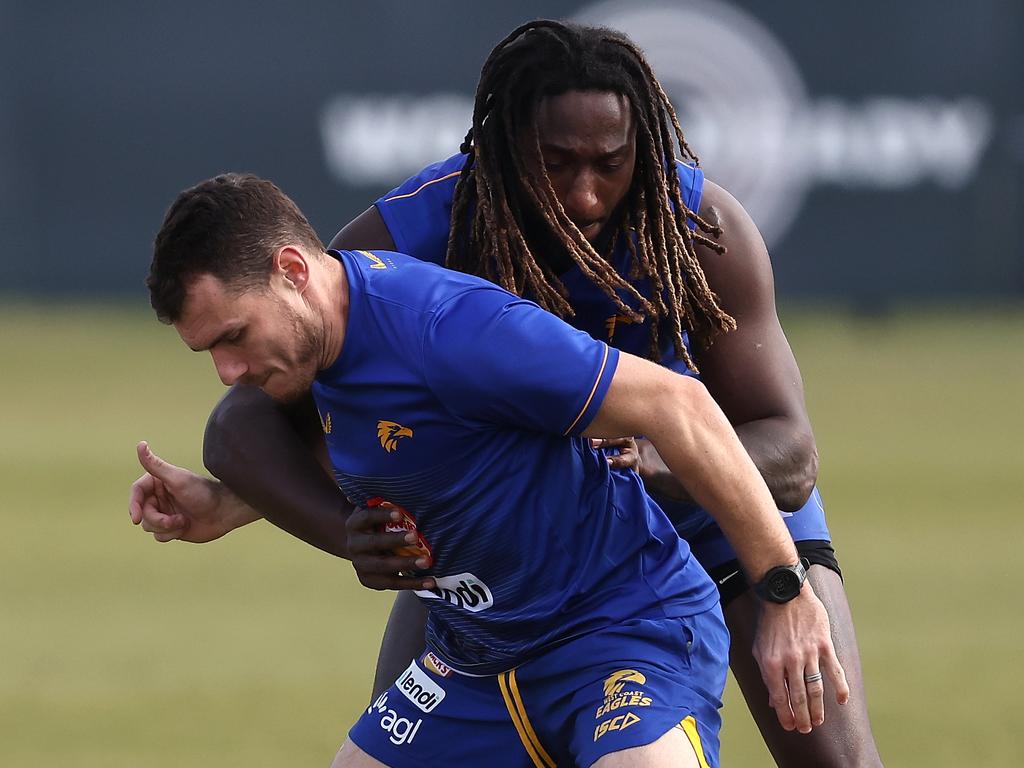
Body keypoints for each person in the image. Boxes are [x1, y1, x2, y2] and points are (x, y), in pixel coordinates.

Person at [132, 20, 882, 766]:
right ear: (504, 152)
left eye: (611, 163)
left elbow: (788, 457)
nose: (586, 196)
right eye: (556, 164)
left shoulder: (700, 227)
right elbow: (289, 400)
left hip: (712, 501)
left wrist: (659, 473)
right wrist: (316, 518)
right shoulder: (422, 233)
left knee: (835, 760)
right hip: (516, 546)